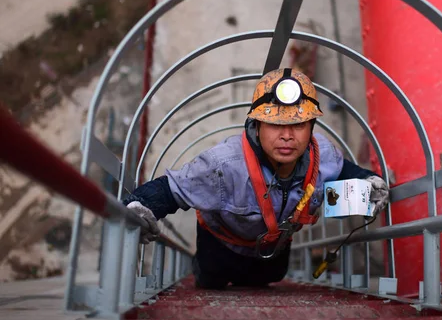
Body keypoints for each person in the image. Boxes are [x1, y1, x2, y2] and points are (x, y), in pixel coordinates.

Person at [123, 68, 390, 289]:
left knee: (269, 279)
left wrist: (370, 183)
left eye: (298, 125)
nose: (287, 136)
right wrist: (141, 207)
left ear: (311, 128)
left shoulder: (324, 155)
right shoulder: (222, 165)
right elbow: (172, 190)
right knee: (210, 282)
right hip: (220, 246)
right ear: (257, 125)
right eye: (275, 125)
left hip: (274, 250)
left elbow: (343, 172)